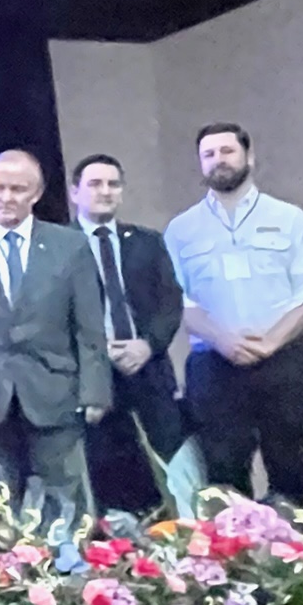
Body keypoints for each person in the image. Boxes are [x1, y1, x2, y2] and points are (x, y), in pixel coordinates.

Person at [164, 123, 303, 506]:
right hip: (214, 364)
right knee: (223, 474)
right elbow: (174, 298)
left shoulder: (289, 218)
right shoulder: (181, 230)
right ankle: (235, 563)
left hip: (285, 360)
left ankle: (296, 562)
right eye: (209, 154)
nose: (218, 161)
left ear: (249, 157)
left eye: (227, 151)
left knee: (288, 465)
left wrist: (272, 340)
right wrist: (222, 339)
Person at [0, 150, 112, 520]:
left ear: (36, 194)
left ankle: (71, 572)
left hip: (55, 391)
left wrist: (95, 392)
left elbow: (89, 325)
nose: (7, 197)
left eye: (18, 189)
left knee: (66, 505)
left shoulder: (69, 246)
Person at [69, 153, 186, 508]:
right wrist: (97, 348)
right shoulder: (58, 245)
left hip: (149, 371)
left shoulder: (147, 241)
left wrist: (147, 346)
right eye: (94, 184)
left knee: (169, 469)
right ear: (75, 192)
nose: (105, 192)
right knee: (108, 476)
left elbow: (170, 302)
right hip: (92, 376)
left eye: (113, 184)